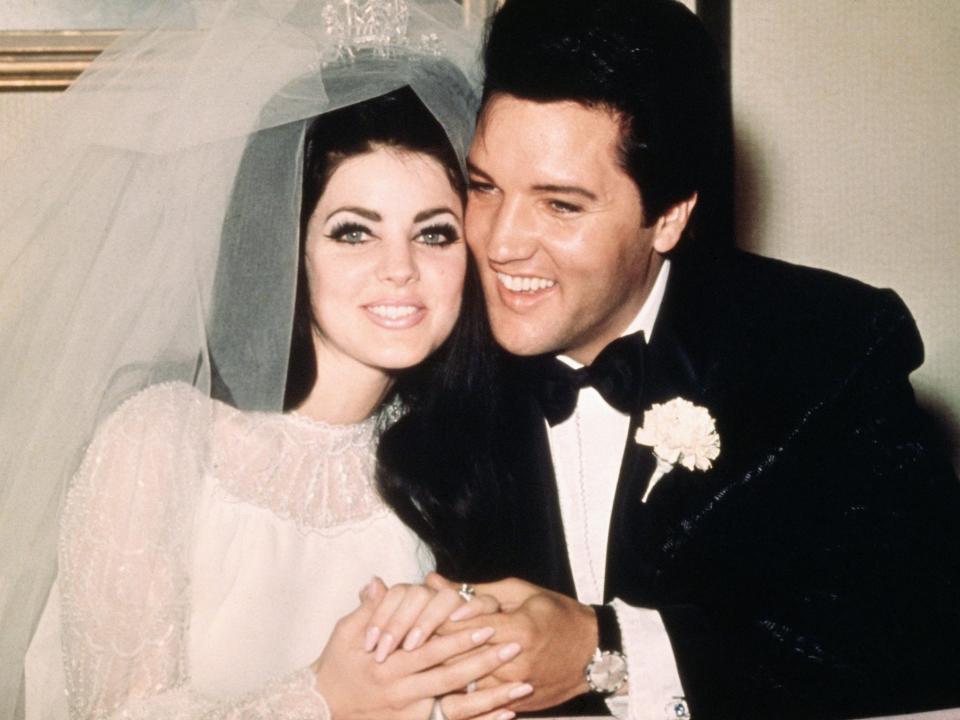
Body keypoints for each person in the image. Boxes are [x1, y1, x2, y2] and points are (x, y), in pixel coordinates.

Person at [377, 0, 960, 718]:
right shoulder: (422, 347)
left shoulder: (826, 348)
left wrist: (609, 650)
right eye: (485, 186)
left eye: (560, 206)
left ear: (670, 215)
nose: (499, 243)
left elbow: (926, 635)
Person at [0, 2, 529, 719]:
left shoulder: (462, 454)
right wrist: (322, 700)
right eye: (353, 233)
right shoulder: (163, 441)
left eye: (434, 234)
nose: (399, 269)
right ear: (286, 244)